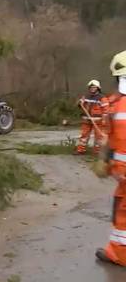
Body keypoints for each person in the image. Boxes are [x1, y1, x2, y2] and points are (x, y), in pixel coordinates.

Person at [96, 50, 126, 265]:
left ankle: (119, 254)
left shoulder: (119, 106)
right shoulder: (114, 104)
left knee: (122, 214)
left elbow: (118, 141)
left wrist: (106, 163)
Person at [76, 80, 109, 155]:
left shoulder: (102, 98)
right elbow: (80, 105)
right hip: (86, 120)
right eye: (91, 87)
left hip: (98, 121)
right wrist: (79, 103)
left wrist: (104, 120)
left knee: (98, 137)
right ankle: (80, 150)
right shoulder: (86, 96)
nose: (92, 89)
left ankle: (97, 152)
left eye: (94, 87)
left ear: (98, 88)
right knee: (84, 136)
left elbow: (106, 110)